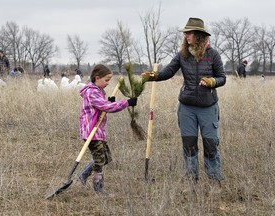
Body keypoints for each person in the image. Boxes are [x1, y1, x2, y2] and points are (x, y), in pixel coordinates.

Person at [142, 17, 226, 185]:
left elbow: (222, 78)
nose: (186, 35)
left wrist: (212, 82)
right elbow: (168, 72)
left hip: (208, 107)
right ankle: (190, 181)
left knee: (210, 145)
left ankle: (214, 181)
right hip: (187, 108)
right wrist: (153, 76)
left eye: (190, 33)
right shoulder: (182, 55)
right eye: (186, 33)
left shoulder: (213, 55)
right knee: (189, 145)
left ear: (200, 35)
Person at [76, 64, 137, 196]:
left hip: (98, 131)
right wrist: (125, 103)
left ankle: (82, 175)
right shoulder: (91, 92)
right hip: (91, 131)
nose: (108, 83)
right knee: (99, 159)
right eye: (106, 80)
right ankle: (99, 188)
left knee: (106, 157)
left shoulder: (98, 91)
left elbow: (103, 106)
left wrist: (109, 101)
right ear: (97, 78)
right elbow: (105, 107)